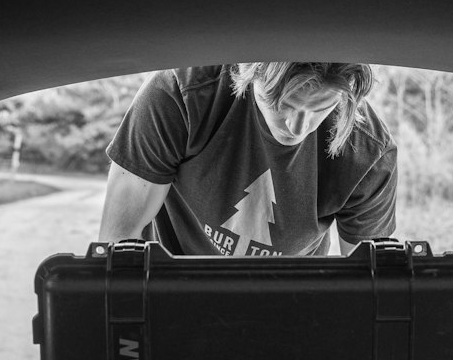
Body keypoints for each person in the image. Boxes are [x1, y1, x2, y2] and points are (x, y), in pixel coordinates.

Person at [98, 62, 397, 256]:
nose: (298, 127)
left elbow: (370, 287)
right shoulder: (180, 96)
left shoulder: (368, 151)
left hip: (292, 308)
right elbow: (117, 241)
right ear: (248, 73)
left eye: (321, 108)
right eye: (284, 105)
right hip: (173, 296)